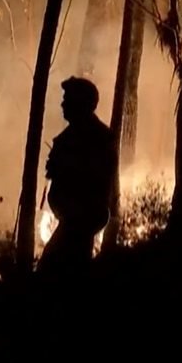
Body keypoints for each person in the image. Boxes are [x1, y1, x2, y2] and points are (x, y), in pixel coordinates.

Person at [36, 77, 117, 278]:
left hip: (79, 220)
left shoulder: (96, 139)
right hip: (72, 219)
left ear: (81, 103)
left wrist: (63, 166)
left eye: (68, 98)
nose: (63, 103)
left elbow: (92, 179)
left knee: (55, 270)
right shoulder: (73, 138)